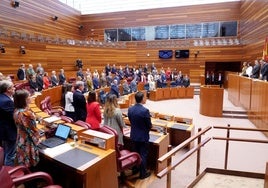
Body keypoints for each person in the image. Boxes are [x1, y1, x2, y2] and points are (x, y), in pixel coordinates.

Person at [127, 91, 152, 179]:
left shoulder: (130, 109)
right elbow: (149, 125)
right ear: (142, 99)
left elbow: (130, 120)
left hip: (133, 135)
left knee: (135, 154)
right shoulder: (145, 111)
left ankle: (135, 169)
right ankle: (143, 174)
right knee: (143, 155)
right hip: (143, 136)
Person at [13, 89, 40, 168]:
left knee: (24, 163)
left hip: (20, 138)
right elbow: (33, 130)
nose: (31, 98)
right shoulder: (26, 113)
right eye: (29, 97)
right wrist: (38, 139)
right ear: (24, 100)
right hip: (27, 141)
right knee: (30, 164)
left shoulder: (16, 110)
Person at [0, 80, 17, 166]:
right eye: (12, 87)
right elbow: (14, 118)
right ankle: (9, 174)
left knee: (6, 151)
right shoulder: (7, 101)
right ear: (8, 89)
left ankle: (4, 168)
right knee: (10, 154)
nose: (14, 88)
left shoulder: (2, 97)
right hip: (9, 131)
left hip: (3, 130)